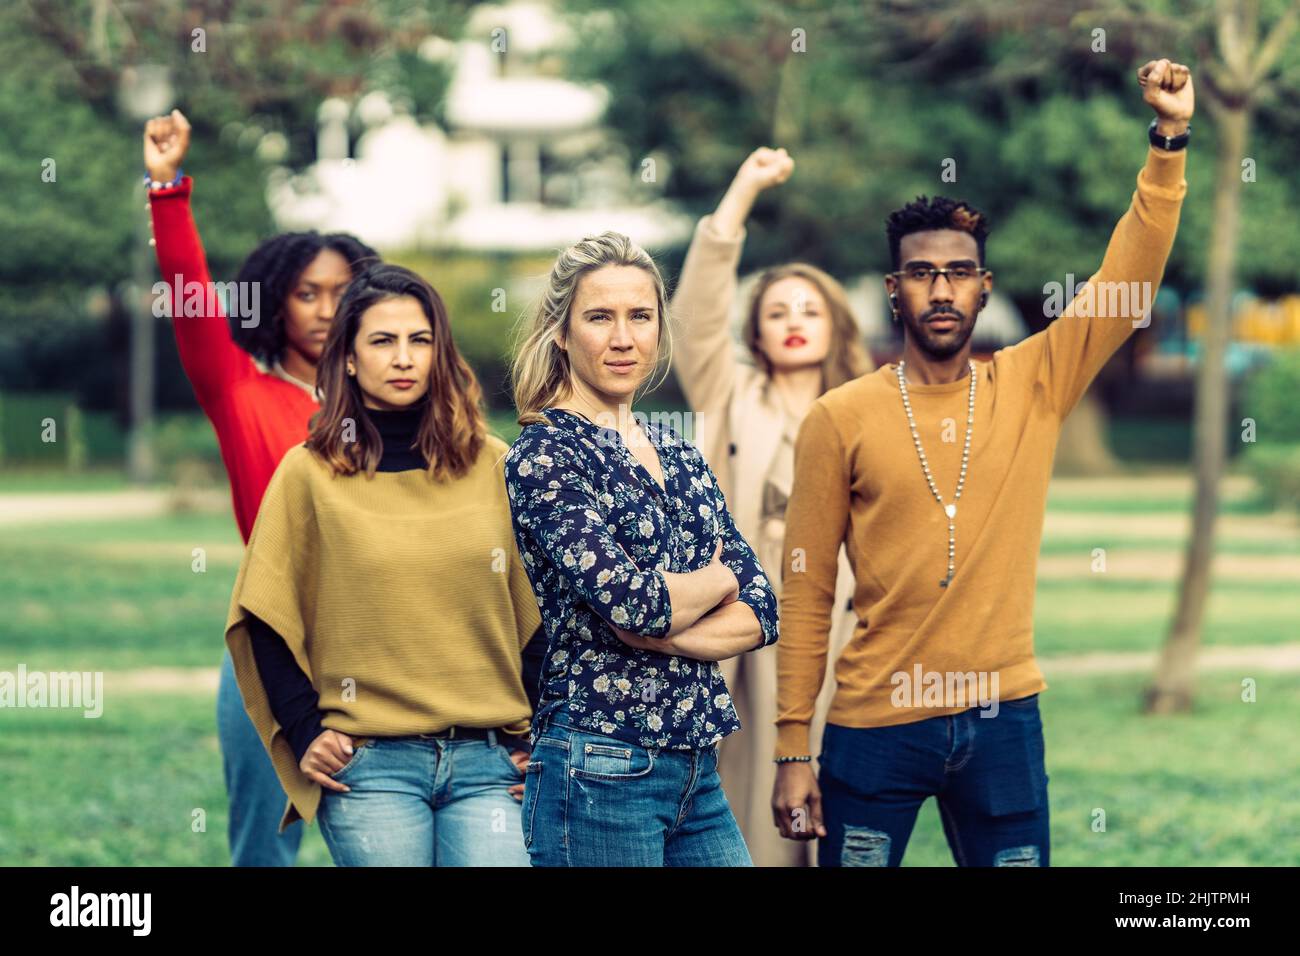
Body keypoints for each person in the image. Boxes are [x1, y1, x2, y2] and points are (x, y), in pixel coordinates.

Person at [773, 59, 1193, 866]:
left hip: (1004, 717)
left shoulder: (1035, 380)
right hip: (873, 723)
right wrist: (794, 746)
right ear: (895, 290)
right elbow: (807, 585)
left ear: (983, 288)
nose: (941, 289)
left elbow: (1127, 279)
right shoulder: (840, 416)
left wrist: (1168, 139)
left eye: (958, 274)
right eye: (923, 274)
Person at [224, 264, 545, 866]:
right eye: (382, 341)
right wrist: (304, 731)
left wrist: (543, 739)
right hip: (369, 765)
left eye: (419, 341)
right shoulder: (307, 473)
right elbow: (266, 615)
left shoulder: (496, 465)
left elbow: (543, 616)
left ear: (439, 353)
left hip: (491, 762)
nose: (403, 358)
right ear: (347, 358)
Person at [144, 108, 379, 866]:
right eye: (307, 292)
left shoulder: (392, 398)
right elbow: (188, 293)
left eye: (343, 292)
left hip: (383, 640)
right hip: (270, 635)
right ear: (276, 299)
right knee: (263, 844)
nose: (325, 309)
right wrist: (167, 190)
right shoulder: (239, 390)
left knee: (381, 837)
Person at [504, 231, 780, 866]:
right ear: (561, 333)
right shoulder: (546, 455)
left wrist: (665, 625)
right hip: (597, 765)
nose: (622, 338)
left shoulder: (677, 449)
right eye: (599, 317)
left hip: (696, 766)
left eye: (640, 316)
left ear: (659, 329)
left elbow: (763, 607)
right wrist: (712, 584)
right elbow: (634, 604)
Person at [671, 146, 872, 865]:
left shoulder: (870, 407)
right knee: (755, 805)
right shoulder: (730, 398)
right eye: (776, 310)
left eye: (809, 309)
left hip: (851, 635)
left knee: (849, 808)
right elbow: (695, 316)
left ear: (834, 324)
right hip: (751, 633)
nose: (792, 320)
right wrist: (744, 191)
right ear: (754, 330)